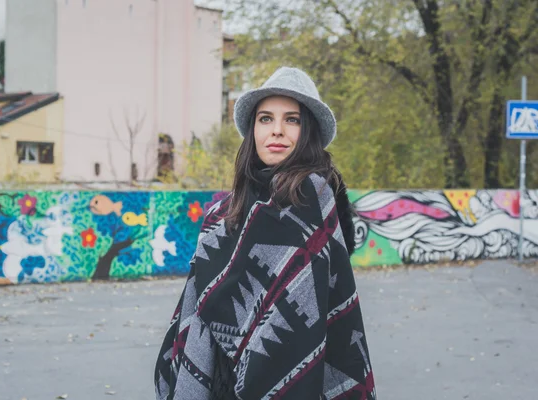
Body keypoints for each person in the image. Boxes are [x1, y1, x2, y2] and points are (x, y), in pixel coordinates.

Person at [155, 67, 376, 399]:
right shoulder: (222, 214)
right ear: (253, 129)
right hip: (220, 382)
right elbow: (197, 306)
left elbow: (311, 308)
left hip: (294, 373)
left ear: (308, 131)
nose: (276, 131)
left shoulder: (313, 199)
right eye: (265, 119)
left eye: (292, 120)